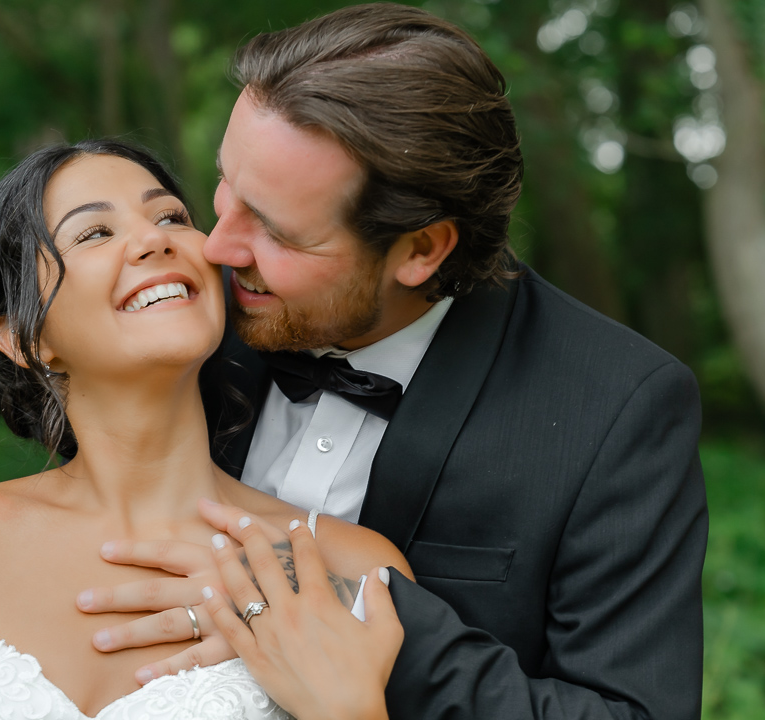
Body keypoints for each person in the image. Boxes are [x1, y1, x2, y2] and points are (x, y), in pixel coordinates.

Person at [76, 5, 709, 719]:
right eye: (226, 192)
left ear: (421, 250)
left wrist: (350, 618)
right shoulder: (183, 318)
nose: (219, 248)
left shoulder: (617, 408)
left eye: (277, 231)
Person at [0, 139, 409, 720]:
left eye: (172, 217)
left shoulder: (350, 568)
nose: (155, 239)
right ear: (27, 339)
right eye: (95, 233)